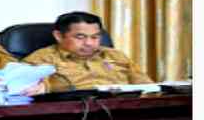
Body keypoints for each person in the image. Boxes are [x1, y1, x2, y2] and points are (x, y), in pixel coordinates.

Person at [23, 11, 153, 91]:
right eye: (80, 37)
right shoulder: (42, 59)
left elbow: (148, 88)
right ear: (59, 36)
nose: (89, 43)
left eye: (95, 37)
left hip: (124, 113)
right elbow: (31, 90)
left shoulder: (116, 56)